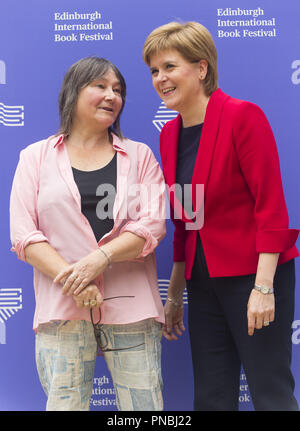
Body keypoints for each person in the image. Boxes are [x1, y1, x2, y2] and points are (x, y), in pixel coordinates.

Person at [143, 21, 299, 411]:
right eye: (154, 71)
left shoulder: (243, 116)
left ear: (201, 68)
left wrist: (264, 289)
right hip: (202, 282)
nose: (160, 78)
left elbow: (272, 209)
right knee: (211, 396)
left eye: (169, 66)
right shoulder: (169, 134)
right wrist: (175, 294)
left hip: (255, 276)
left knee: (270, 392)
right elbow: (184, 221)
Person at [10, 56, 166, 411]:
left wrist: (99, 260)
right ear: (73, 93)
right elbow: (24, 235)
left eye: (118, 90)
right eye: (100, 86)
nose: (112, 95)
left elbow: (152, 224)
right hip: (62, 308)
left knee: (145, 411)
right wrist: (76, 282)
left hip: (132, 308)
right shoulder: (34, 157)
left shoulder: (140, 156)